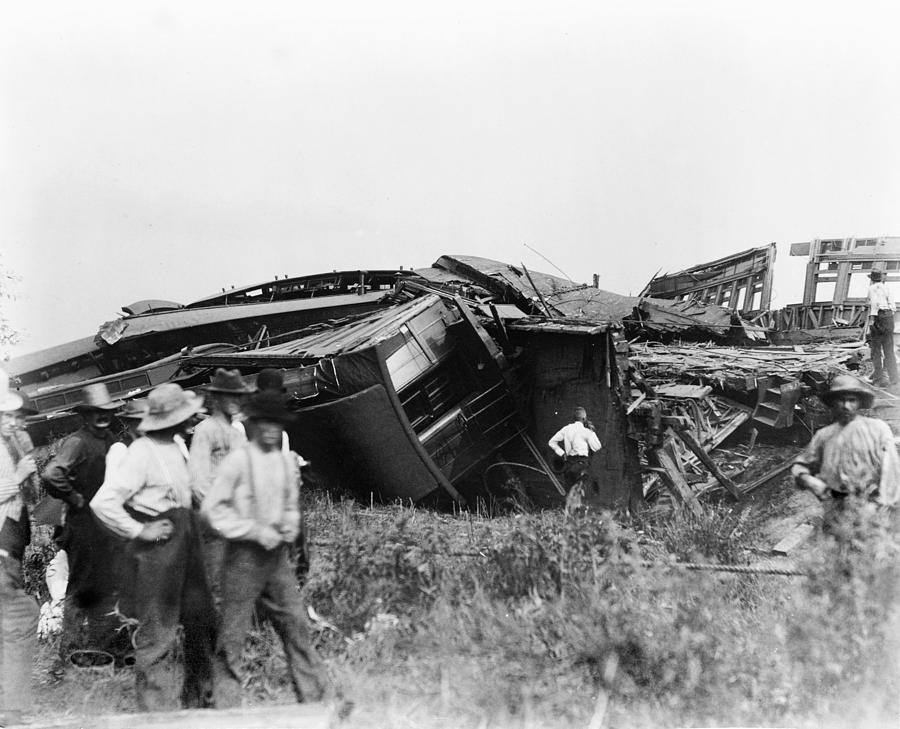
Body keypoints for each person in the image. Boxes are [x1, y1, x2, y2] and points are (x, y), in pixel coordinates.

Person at [91, 383, 215, 711]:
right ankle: (156, 711)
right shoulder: (140, 453)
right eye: (185, 416)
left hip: (188, 539)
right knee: (158, 631)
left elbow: (190, 493)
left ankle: (201, 702)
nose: (192, 421)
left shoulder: (178, 444)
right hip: (161, 547)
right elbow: (103, 502)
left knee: (201, 619)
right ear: (169, 419)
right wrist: (139, 531)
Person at [202, 391, 330, 708]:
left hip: (276, 562)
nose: (271, 429)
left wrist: (286, 526)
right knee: (233, 635)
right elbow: (212, 511)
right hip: (242, 560)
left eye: (277, 423)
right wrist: (253, 530)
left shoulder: (285, 462)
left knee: (296, 625)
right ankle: (225, 708)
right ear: (253, 425)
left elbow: (289, 506)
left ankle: (316, 703)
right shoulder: (237, 462)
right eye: (265, 423)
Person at [42, 383, 126, 664]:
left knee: (106, 586)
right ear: (85, 415)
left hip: (105, 524)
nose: (102, 416)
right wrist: (75, 498)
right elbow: (52, 474)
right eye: (95, 412)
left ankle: (101, 651)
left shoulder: (109, 439)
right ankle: (70, 654)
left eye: (106, 412)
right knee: (79, 589)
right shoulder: (77, 442)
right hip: (83, 525)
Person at [792, 375, 900, 532]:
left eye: (851, 400)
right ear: (833, 403)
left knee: (872, 551)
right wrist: (809, 480)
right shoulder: (824, 436)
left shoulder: (877, 429)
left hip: (872, 508)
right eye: (840, 400)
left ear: (859, 402)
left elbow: (891, 471)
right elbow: (801, 466)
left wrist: (881, 503)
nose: (846, 406)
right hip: (836, 509)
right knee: (837, 550)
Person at [0, 370, 39, 727]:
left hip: (9, 546)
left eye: (16, 416)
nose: (14, 422)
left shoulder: (10, 445)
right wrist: (19, 476)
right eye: (7, 416)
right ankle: (11, 709)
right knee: (20, 617)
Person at [548, 407, 602, 493]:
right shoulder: (587, 431)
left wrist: (562, 453)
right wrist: (591, 433)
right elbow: (597, 447)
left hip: (569, 463)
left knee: (569, 490)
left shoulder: (566, 429)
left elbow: (552, 442)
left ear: (573, 418)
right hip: (581, 463)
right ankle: (583, 481)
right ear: (584, 418)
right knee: (578, 487)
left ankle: (573, 502)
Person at [866, 268, 898, 388]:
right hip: (889, 318)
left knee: (876, 350)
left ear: (872, 279)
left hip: (879, 317)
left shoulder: (872, 288)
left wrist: (873, 320)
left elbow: (874, 304)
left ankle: (877, 378)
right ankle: (894, 379)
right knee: (889, 350)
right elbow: (893, 306)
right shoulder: (887, 288)